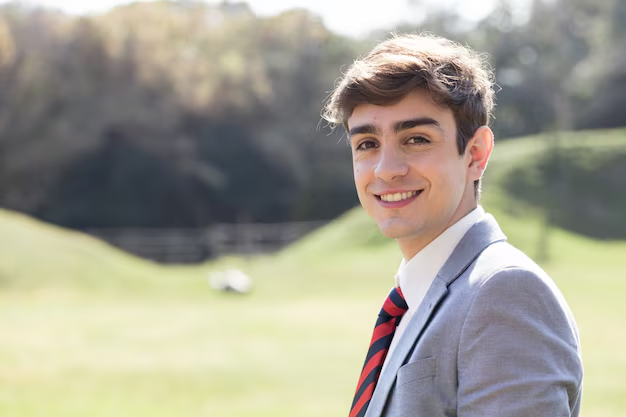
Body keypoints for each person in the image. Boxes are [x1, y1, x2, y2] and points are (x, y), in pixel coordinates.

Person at [322, 33, 583, 417]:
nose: (386, 170)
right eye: (367, 144)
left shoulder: (504, 292)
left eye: (415, 139)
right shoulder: (416, 298)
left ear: (475, 154)